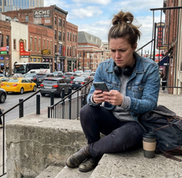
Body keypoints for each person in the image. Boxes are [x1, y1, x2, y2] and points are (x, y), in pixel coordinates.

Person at [66, 11, 160, 172]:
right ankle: (96, 151)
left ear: (134, 46)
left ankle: (90, 152)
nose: (117, 56)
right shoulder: (104, 67)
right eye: (112, 50)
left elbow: (151, 104)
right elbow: (89, 97)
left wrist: (124, 101)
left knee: (126, 135)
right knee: (86, 111)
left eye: (122, 50)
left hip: (136, 124)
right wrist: (94, 99)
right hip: (111, 120)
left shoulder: (150, 68)